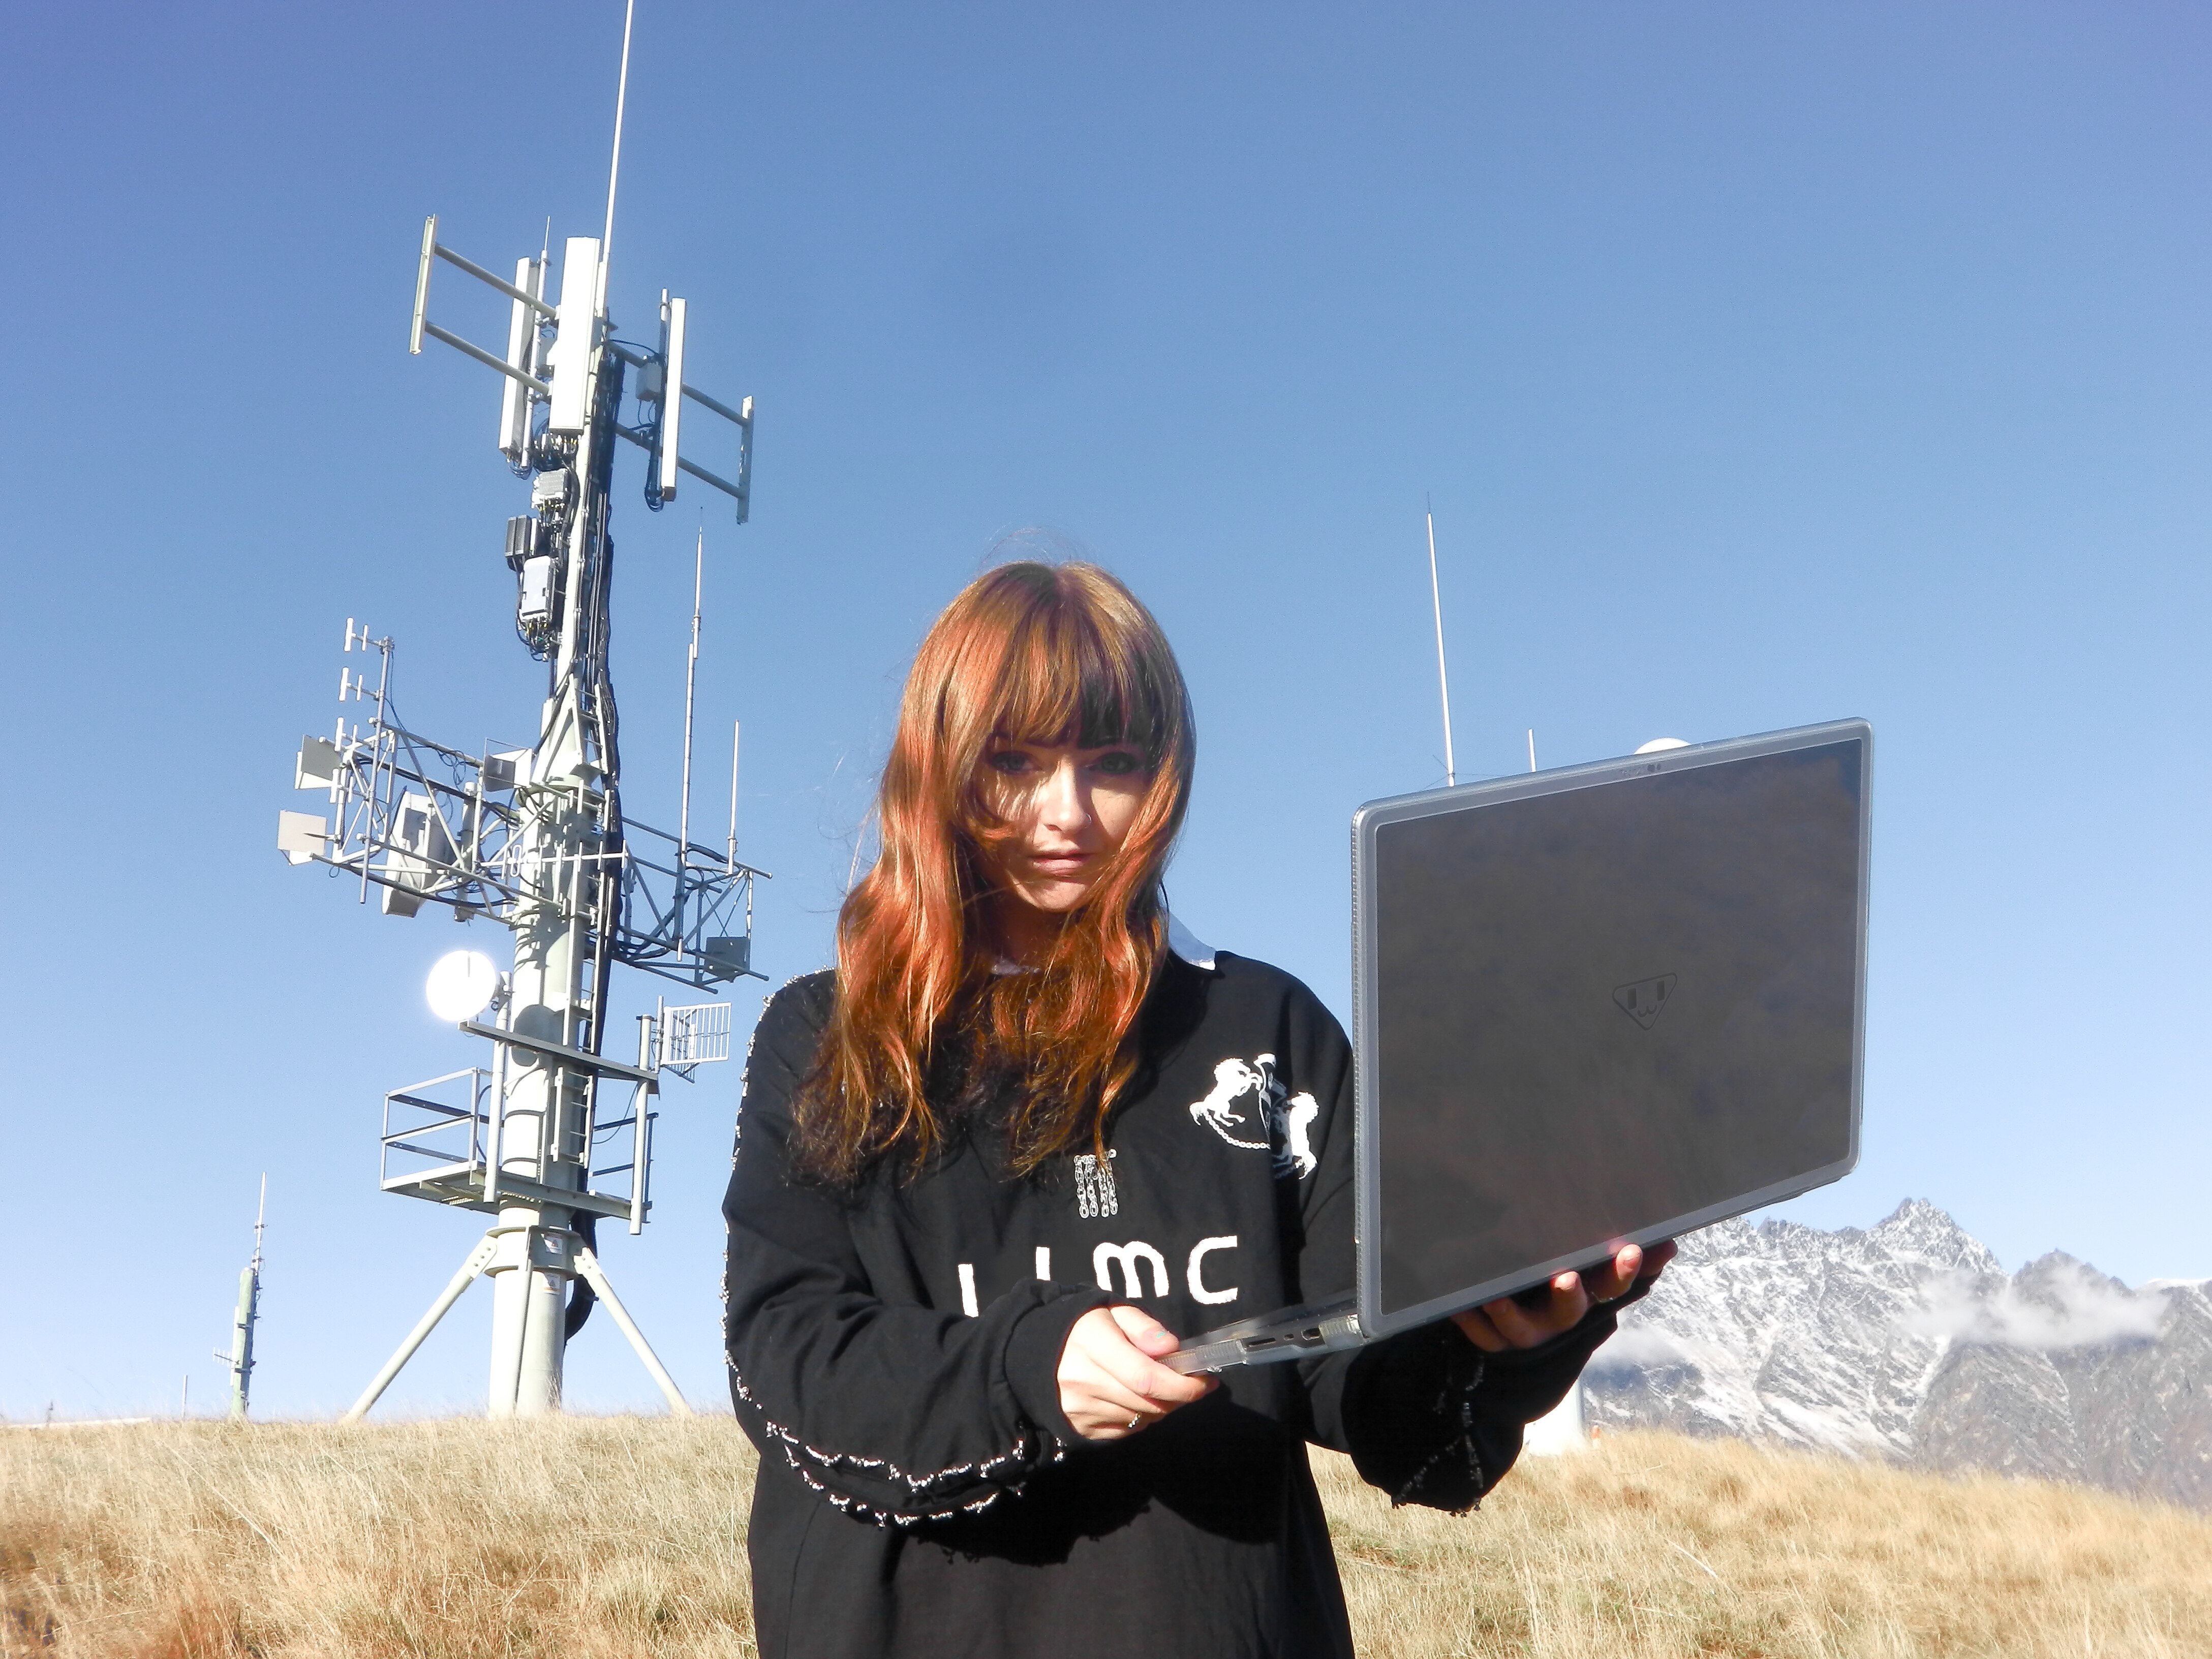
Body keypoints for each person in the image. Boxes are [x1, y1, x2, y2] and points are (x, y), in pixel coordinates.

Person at [723, 561, 1672, 1659]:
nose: (1066, 812)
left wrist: (1509, 1339)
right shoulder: (830, 1036)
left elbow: (1390, 1414)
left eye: (1114, 763)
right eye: (1014, 761)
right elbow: (786, 1357)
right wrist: (1027, 1371)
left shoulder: (1265, 1029)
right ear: (938, 765)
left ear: (1165, 771)